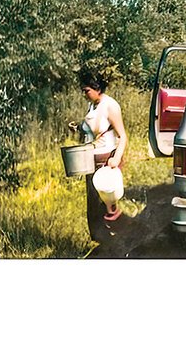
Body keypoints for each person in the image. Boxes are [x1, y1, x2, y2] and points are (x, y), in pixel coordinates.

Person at [77, 69, 128, 242]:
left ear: (97, 88)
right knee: (93, 207)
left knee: (105, 206)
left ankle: (116, 242)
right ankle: (100, 243)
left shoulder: (110, 106)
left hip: (106, 161)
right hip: (91, 159)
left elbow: (123, 136)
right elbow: (92, 128)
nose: (85, 95)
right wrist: (78, 128)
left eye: (86, 91)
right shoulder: (93, 104)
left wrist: (116, 158)